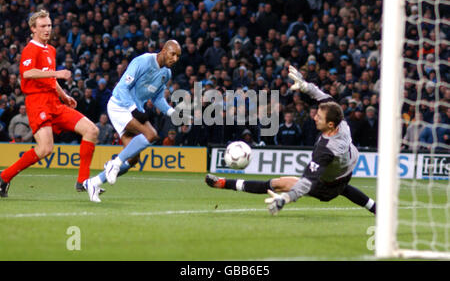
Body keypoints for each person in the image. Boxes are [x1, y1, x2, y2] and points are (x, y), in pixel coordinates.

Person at [205, 65, 376, 216]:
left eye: (319, 117)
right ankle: (376, 208)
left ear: (330, 124)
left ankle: (224, 183)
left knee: (276, 184)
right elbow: (321, 96)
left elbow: (307, 182)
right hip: (345, 169)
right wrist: (304, 86)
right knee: (342, 187)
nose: (315, 117)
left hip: (327, 186)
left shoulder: (325, 150)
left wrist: (285, 199)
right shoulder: (339, 118)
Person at [0, 10, 99, 197]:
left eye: (49, 25)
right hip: (37, 103)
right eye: (43, 26)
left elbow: (50, 79)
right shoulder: (31, 48)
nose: (47, 29)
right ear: (33, 29)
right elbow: (27, 73)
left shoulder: (51, 50)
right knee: (45, 148)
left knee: (92, 130)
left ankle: (83, 181)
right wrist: (57, 73)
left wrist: (64, 96)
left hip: (54, 102)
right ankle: (4, 176)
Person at [82, 40, 181, 202]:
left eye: (178, 56)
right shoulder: (143, 61)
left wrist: (172, 112)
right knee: (151, 135)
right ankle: (115, 163)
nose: (175, 59)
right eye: (173, 54)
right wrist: (133, 109)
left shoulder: (166, 73)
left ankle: (94, 182)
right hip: (120, 106)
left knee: (133, 159)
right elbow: (121, 88)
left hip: (134, 111)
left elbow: (157, 97)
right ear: (163, 50)